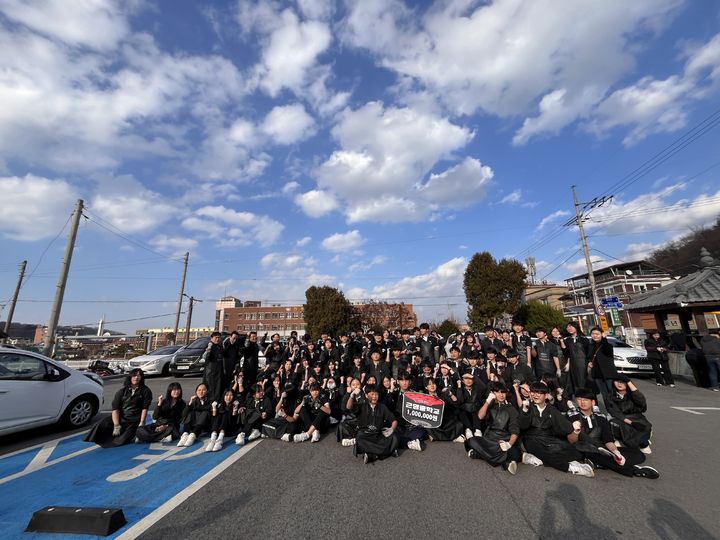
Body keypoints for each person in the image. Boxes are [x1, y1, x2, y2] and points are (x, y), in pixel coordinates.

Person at [568, 387, 658, 479]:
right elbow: (571, 441)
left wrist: (616, 452)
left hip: (602, 449)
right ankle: (634, 470)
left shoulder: (601, 418)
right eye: (579, 399)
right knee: (588, 454)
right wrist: (576, 431)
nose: (582, 402)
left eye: (586, 400)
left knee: (638, 454)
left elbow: (608, 440)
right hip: (583, 449)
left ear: (593, 402)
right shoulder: (571, 417)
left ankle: (599, 464)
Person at [518, 382, 594, 477]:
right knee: (540, 450)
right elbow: (522, 426)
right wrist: (524, 412)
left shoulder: (552, 410)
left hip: (547, 440)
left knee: (576, 453)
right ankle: (571, 467)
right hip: (530, 439)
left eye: (539, 393)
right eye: (533, 392)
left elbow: (566, 427)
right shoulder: (527, 407)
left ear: (546, 395)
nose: (536, 395)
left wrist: (575, 427)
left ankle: (535, 458)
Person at [85, 368, 152, 447]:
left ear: (141, 378)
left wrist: (142, 423)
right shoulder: (122, 391)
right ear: (130, 377)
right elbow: (115, 409)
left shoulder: (146, 391)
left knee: (122, 439)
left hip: (134, 420)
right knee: (101, 424)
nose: (136, 377)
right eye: (134, 375)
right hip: (121, 417)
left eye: (139, 376)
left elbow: (145, 408)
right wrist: (116, 425)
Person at [465, 382, 521, 475]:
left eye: (503, 392)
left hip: (503, 440)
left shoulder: (511, 409)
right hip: (489, 439)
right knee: (472, 441)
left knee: (513, 451)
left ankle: (480, 455)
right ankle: (504, 461)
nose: (501, 395)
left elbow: (515, 430)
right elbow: (480, 416)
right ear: (493, 393)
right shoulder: (490, 406)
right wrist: (488, 401)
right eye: (498, 392)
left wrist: (509, 444)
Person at [351, 384, 399, 464]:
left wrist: (392, 429)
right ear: (366, 395)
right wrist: (351, 396)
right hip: (365, 434)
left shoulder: (382, 407)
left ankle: (373, 455)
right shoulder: (361, 405)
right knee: (359, 438)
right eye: (372, 394)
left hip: (378, 434)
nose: (374, 396)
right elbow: (349, 407)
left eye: (376, 394)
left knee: (394, 438)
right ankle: (387, 452)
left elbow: (394, 420)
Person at [606, 375, 653, 454]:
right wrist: (631, 423)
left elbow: (642, 403)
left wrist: (629, 382)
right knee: (614, 423)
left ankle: (644, 440)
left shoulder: (633, 394)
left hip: (637, 418)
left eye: (623, 382)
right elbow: (614, 412)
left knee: (643, 442)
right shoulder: (610, 396)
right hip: (622, 420)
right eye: (617, 381)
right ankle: (621, 440)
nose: (619, 384)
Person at [587, 326, 619, 406]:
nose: (595, 336)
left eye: (597, 334)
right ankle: (610, 411)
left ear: (602, 334)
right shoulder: (591, 346)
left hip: (608, 373)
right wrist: (589, 362)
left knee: (612, 393)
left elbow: (607, 350)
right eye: (593, 334)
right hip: (597, 374)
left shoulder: (607, 345)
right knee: (605, 395)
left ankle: (618, 410)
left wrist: (605, 339)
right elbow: (589, 357)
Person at [178, 382, 213, 447]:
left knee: (205, 412)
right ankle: (185, 434)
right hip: (193, 424)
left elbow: (208, 408)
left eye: (203, 390)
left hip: (205, 425)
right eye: (199, 390)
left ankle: (193, 435)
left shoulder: (210, 400)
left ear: (207, 391)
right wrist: (190, 403)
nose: (201, 392)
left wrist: (196, 407)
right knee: (190, 413)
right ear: (196, 392)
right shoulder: (194, 400)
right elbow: (184, 414)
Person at [564, 322, 590, 400]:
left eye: (571, 326)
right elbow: (566, 353)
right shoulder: (567, 340)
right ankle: (579, 401)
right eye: (568, 327)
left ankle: (589, 401)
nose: (569, 328)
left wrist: (589, 363)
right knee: (574, 383)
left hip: (583, 364)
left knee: (585, 382)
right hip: (573, 365)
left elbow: (589, 352)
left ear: (576, 327)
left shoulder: (584, 339)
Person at [203, 332, 225, 403]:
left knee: (218, 389)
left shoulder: (220, 346)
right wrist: (208, 349)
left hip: (219, 372)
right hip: (210, 372)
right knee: (211, 389)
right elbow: (204, 357)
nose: (217, 339)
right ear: (211, 338)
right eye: (216, 337)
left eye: (219, 338)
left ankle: (217, 402)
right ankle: (210, 403)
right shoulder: (209, 346)